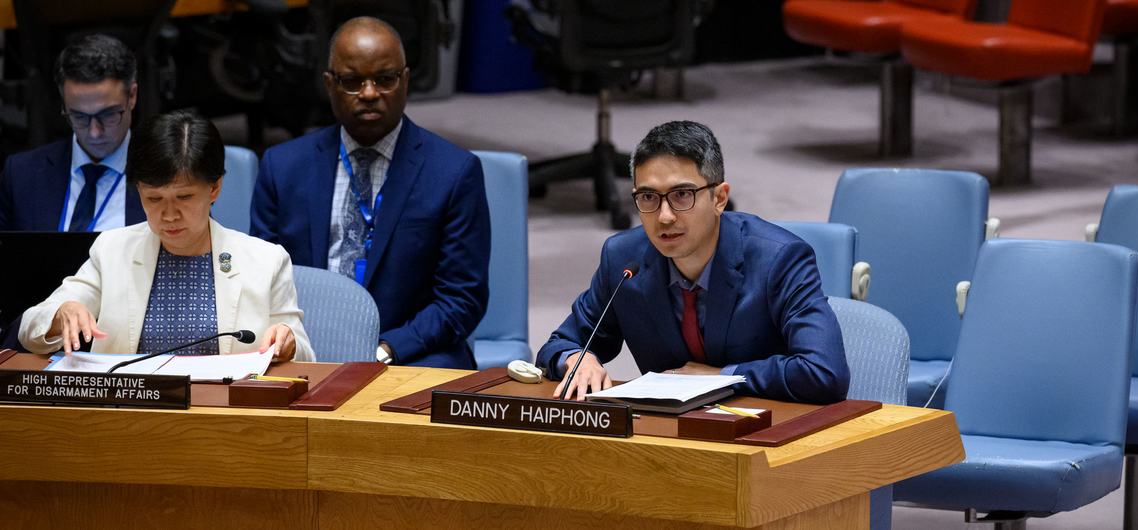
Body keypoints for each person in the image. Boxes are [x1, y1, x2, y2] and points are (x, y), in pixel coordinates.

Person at [537, 121, 849, 403]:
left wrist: (724, 375)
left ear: (719, 198)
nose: (665, 216)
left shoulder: (779, 259)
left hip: (765, 433)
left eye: (682, 195)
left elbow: (824, 372)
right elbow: (559, 343)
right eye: (648, 197)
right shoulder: (624, 259)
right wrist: (579, 358)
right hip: (669, 439)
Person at [251, 17, 490, 369]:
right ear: (329, 84)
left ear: (405, 81)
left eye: (385, 79)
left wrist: (384, 350)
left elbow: (461, 298)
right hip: (303, 348)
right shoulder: (282, 167)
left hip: (410, 350)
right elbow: (264, 280)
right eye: (351, 81)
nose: (368, 93)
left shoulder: (453, 172)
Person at [20, 111, 314, 362]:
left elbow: (305, 356)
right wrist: (62, 314)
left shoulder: (266, 260)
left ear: (214, 189)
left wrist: (287, 344)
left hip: (227, 417)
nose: (169, 215)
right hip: (130, 414)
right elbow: (30, 328)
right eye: (154, 198)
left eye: (184, 197)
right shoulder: (113, 250)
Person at [0, 34, 146, 231]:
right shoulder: (21, 176)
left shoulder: (168, 176)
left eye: (108, 115)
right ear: (63, 105)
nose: (94, 132)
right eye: (79, 117)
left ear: (132, 96)